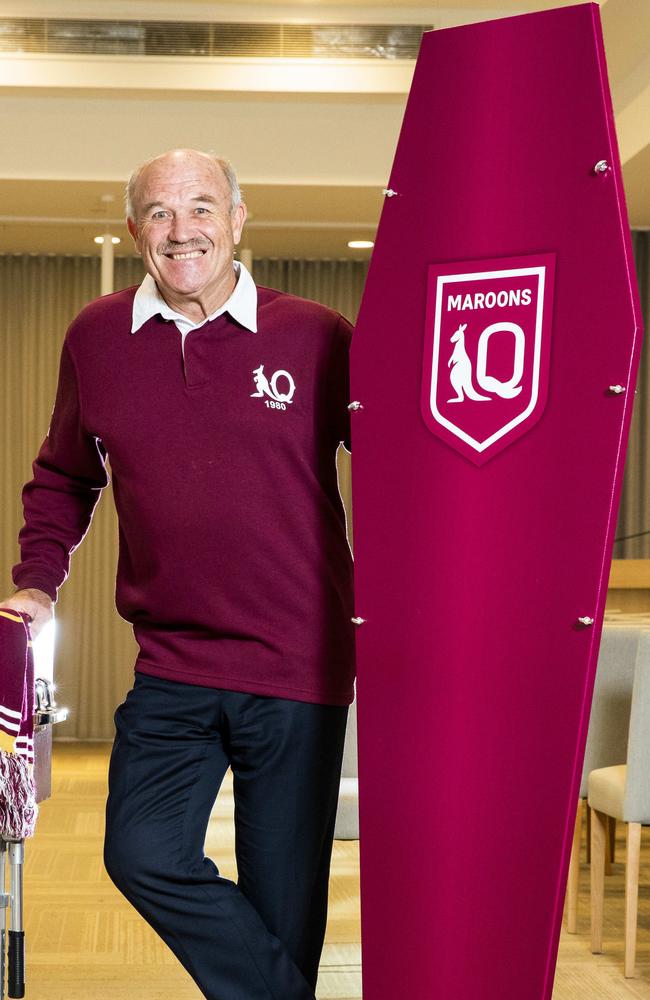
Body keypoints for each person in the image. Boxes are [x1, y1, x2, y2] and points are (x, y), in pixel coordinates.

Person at [0, 148, 356, 999]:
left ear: (238, 220)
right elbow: (65, 475)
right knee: (142, 853)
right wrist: (36, 580)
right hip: (171, 666)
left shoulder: (317, 337)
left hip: (298, 668)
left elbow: (410, 470)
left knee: (283, 907)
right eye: (158, 212)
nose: (181, 229)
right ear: (133, 231)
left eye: (201, 207)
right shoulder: (97, 338)